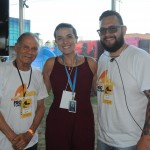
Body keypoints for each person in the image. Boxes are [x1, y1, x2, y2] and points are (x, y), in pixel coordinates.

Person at [96, 10, 150, 150]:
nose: (107, 34)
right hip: (103, 139)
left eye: (113, 28)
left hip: (131, 142)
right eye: (102, 30)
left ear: (124, 29)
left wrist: (146, 138)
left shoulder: (140, 58)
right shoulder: (102, 59)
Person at [43, 23, 97, 150]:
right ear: (55, 41)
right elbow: (42, 94)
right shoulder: (50, 64)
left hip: (84, 121)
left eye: (69, 36)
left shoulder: (91, 63)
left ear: (76, 39)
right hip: (57, 121)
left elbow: (95, 91)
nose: (65, 41)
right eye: (60, 38)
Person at [0, 32, 48, 150]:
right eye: (25, 47)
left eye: (34, 49)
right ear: (16, 47)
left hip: (31, 142)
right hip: (5, 143)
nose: (30, 52)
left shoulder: (37, 74)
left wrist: (29, 134)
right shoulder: (2, 71)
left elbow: (41, 107)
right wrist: (13, 138)